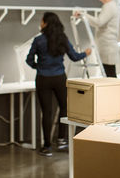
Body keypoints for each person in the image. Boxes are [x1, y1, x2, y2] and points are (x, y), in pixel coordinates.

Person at [26, 12, 91, 157]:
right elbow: (74, 57)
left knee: (46, 112)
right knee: (65, 108)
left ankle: (47, 146)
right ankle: (62, 140)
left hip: (43, 78)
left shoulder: (38, 40)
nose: (41, 23)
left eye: (42, 21)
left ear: (45, 23)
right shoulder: (62, 38)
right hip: (59, 78)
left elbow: (29, 60)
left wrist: (39, 66)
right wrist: (86, 53)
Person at [75, 0, 120, 77]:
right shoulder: (113, 6)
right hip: (109, 46)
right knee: (110, 74)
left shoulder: (109, 7)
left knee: (110, 75)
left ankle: (113, 93)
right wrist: (118, 39)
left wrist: (83, 14)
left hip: (107, 47)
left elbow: (99, 22)